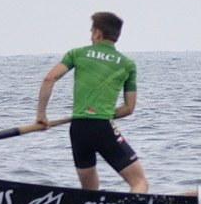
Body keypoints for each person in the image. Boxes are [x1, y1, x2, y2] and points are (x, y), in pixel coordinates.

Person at [33, 11, 149, 193]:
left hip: (78, 129)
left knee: (89, 193)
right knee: (139, 182)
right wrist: (101, 114)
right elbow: (129, 108)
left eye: (91, 32)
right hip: (103, 127)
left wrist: (41, 116)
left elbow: (49, 79)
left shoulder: (77, 53)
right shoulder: (127, 64)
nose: (90, 36)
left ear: (97, 33)